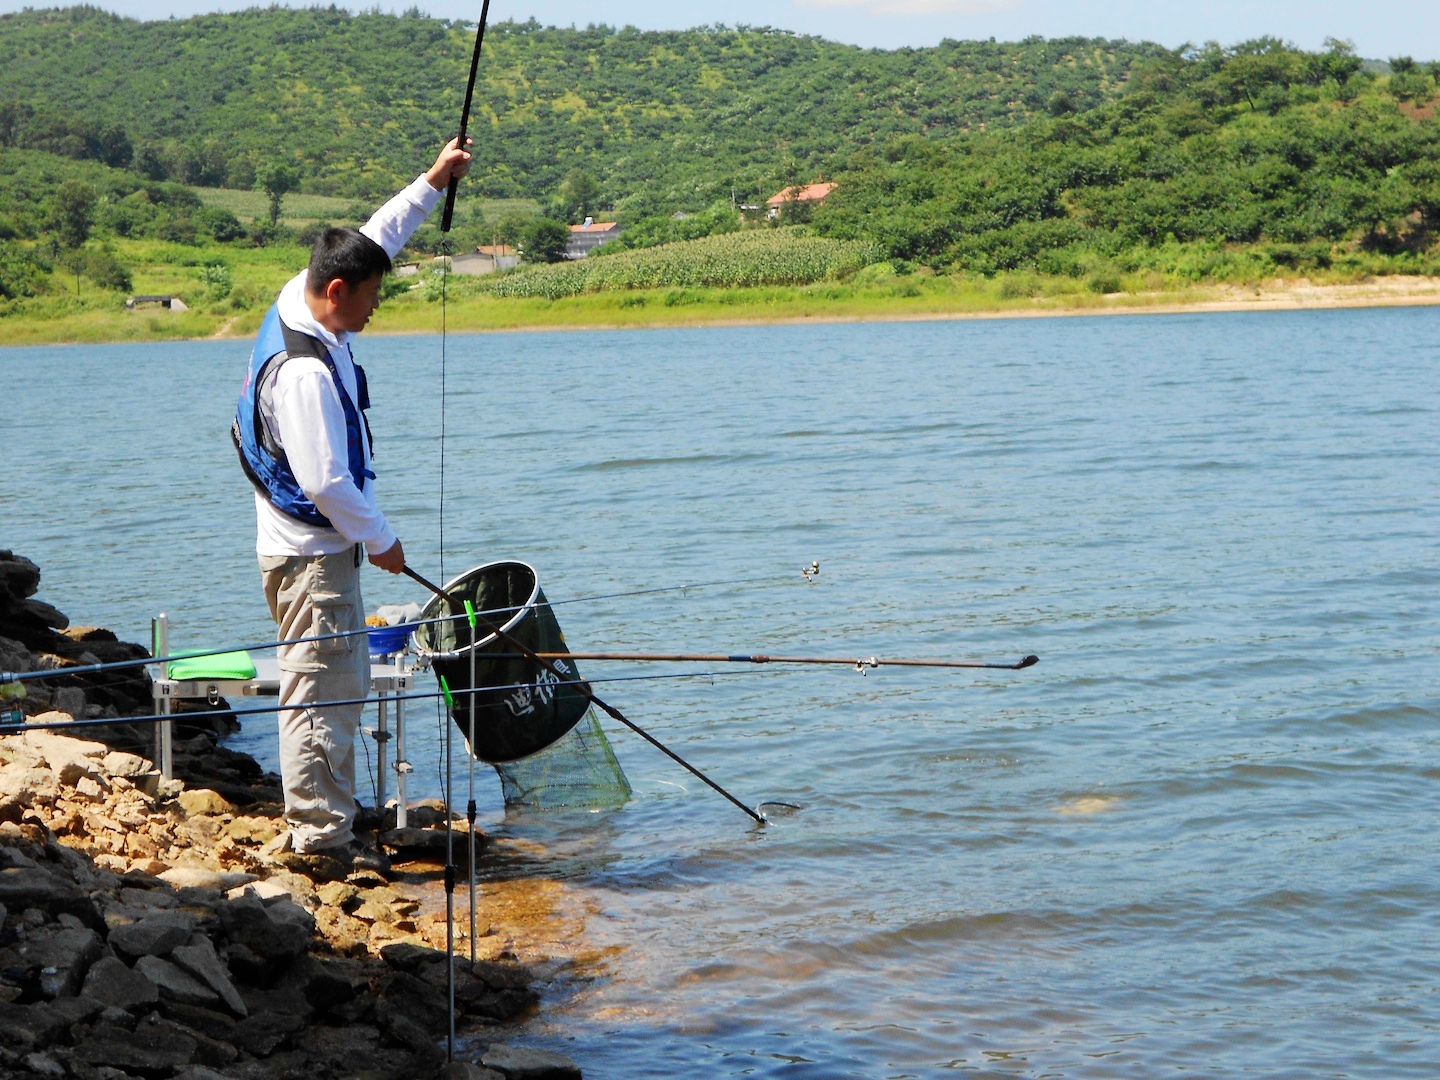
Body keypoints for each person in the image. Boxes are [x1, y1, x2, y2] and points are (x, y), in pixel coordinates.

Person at [233, 138, 472, 874]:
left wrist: (433, 183)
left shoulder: (303, 291)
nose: (374, 310)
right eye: (370, 299)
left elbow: (376, 238)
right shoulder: (304, 374)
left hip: (314, 551)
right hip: (311, 560)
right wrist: (384, 541)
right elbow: (329, 482)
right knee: (323, 691)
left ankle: (327, 817)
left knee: (336, 682)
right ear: (337, 293)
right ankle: (319, 843)